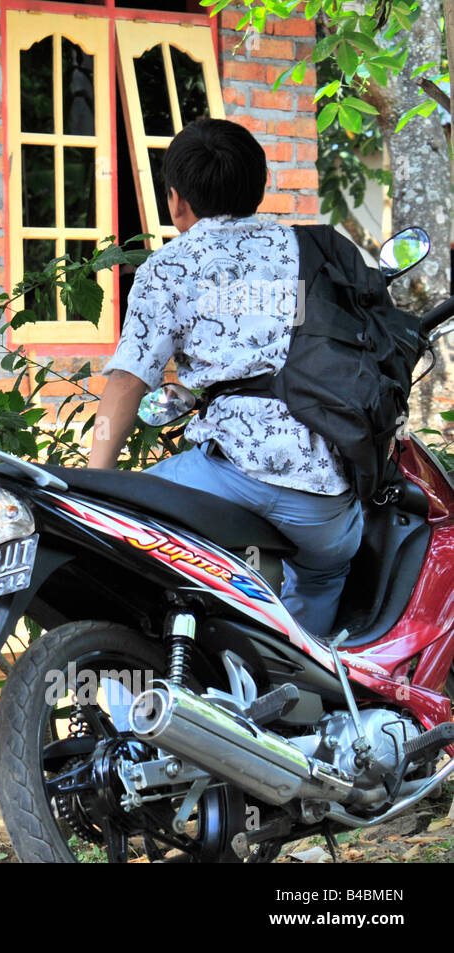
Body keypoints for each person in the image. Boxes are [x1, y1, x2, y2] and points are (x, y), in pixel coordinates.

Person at [89, 118, 363, 637]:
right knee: (325, 573)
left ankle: (136, 706)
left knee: (122, 544)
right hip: (323, 494)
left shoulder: (170, 266)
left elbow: (129, 381)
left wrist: (96, 486)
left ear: (176, 201)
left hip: (224, 481)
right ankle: (304, 688)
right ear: (257, 188)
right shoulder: (316, 254)